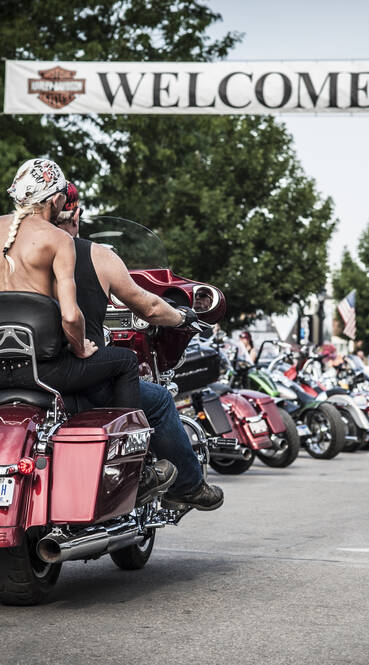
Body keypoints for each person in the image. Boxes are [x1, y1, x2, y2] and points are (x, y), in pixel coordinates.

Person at [53, 183, 223, 511]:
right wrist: (182, 316)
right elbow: (149, 307)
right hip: (78, 373)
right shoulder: (96, 255)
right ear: (75, 215)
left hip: (24, 373)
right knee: (158, 400)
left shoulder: (14, 257)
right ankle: (187, 486)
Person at [0, 158, 140, 412]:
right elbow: (70, 316)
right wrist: (81, 348)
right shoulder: (59, 239)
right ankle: (133, 443)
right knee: (126, 361)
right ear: (57, 199)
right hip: (45, 372)